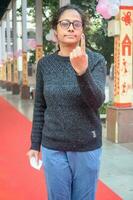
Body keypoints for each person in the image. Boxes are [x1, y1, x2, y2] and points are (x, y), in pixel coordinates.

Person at [27, 4, 106, 200]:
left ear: (82, 31)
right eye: (65, 23)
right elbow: (40, 107)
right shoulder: (45, 64)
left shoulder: (96, 60)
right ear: (55, 30)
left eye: (76, 24)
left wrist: (82, 72)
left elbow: (97, 101)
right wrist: (34, 145)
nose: (71, 28)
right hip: (53, 146)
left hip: (87, 146)